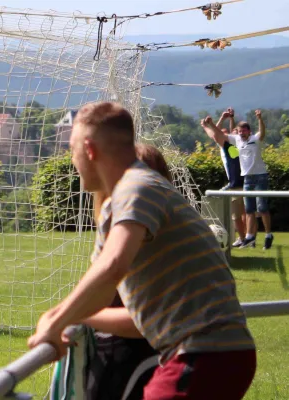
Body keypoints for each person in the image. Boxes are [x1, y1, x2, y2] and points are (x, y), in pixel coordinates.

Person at [28, 102, 256, 400]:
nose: (72, 161)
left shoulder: (136, 187)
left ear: (89, 149)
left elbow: (113, 266)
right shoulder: (121, 202)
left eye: (72, 151)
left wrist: (53, 323)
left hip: (205, 352)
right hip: (204, 353)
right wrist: (58, 316)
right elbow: (103, 291)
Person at [52, 144, 169, 400]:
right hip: (122, 359)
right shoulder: (127, 236)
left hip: (136, 363)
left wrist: (78, 317)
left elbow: (146, 323)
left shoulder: (141, 246)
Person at [201, 111, 273, 250]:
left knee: (257, 210)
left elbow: (261, 132)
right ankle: (248, 238)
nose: (240, 134)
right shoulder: (235, 142)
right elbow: (220, 134)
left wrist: (260, 119)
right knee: (249, 210)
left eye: (243, 131)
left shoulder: (247, 141)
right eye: (238, 132)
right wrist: (212, 124)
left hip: (252, 179)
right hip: (246, 179)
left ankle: (261, 236)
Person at [210, 108, 247, 248]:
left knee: (238, 214)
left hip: (236, 181)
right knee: (242, 212)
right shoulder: (224, 145)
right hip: (236, 180)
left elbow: (229, 133)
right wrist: (226, 118)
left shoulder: (231, 145)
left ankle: (245, 238)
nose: (225, 135)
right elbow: (216, 133)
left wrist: (228, 119)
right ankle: (245, 237)